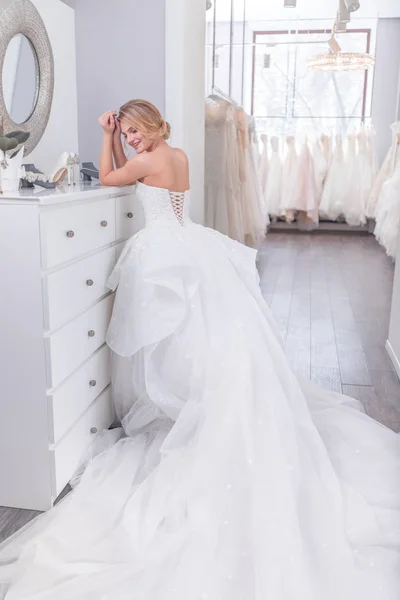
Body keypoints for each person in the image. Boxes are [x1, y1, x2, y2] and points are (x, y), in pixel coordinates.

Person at [0, 99, 399, 600]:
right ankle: (191, 396)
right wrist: (120, 138)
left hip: (163, 248)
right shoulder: (181, 153)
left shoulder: (145, 161)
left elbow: (107, 178)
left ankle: (183, 403)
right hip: (188, 242)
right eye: (123, 134)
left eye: (133, 131)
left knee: (174, 336)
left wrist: (102, 139)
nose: (130, 140)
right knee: (197, 333)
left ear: (149, 126)